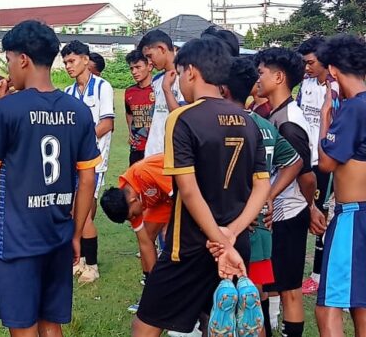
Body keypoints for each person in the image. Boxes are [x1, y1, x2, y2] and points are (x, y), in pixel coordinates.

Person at [133, 38, 271, 336]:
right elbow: (262, 188)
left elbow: (189, 189)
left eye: (180, 72)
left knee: (146, 323)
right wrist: (230, 235)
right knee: (231, 321)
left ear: (191, 72)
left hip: (191, 244)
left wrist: (217, 237)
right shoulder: (249, 122)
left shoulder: (182, 118)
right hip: (235, 242)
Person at [0, 20, 100, 335]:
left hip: (19, 237)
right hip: (59, 233)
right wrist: (75, 234)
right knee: (51, 321)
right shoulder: (79, 110)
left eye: (7, 60)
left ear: (23, 60)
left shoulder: (9, 109)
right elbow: (88, 180)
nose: (7, 68)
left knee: (23, 324)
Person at [224, 56, 303, 337]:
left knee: (222, 301)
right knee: (253, 300)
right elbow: (294, 162)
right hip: (258, 226)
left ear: (222, 88)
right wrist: (268, 195)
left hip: (224, 226)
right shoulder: (264, 124)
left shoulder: (216, 124)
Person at [254, 47, 324, 337]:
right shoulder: (275, 114)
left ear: (279, 77)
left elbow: (305, 176)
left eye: (261, 73)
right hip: (275, 212)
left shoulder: (290, 122)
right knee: (269, 286)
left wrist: (309, 208)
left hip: (287, 213)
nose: (257, 79)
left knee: (290, 289)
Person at [314, 34, 366, 337]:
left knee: (329, 304)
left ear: (332, 71)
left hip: (353, 215)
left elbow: (327, 163)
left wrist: (324, 119)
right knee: (361, 302)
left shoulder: (353, 109)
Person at [61, 40, 114, 284]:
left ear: (85, 59)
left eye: (71, 61)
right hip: (72, 162)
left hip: (94, 162)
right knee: (76, 212)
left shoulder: (103, 87)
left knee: (84, 214)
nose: (68, 66)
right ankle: (79, 260)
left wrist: (80, 141)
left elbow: (107, 124)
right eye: (64, 62)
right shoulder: (69, 94)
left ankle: (91, 265)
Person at [99, 153, 173, 313]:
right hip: (163, 200)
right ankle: (152, 293)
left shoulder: (145, 172)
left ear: (134, 200)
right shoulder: (128, 204)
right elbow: (145, 243)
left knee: (176, 240)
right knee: (147, 235)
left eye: (132, 215)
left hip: (184, 190)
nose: (134, 218)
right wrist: (153, 289)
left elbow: (186, 191)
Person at [296, 36, 340, 295]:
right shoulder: (306, 85)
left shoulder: (336, 88)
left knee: (322, 215)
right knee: (304, 213)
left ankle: (318, 274)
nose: (307, 67)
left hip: (325, 163)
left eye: (311, 63)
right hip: (305, 159)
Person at [137, 30, 184, 157]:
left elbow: (181, 117)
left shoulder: (185, 78)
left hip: (172, 154)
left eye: (149, 56)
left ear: (162, 49)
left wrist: (167, 89)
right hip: (152, 151)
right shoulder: (156, 79)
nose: (149, 62)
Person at [124, 50, 155, 166]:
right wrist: (130, 132)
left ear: (149, 66)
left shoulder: (158, 89)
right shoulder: (129, 91)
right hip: (136, 148)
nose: (134, 72)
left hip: (155, 148)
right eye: (132, 68)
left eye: (138, 67)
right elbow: (129, 113)